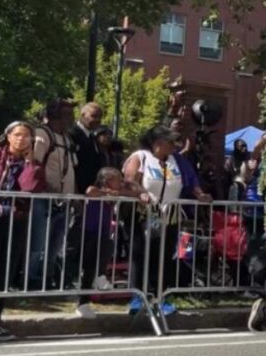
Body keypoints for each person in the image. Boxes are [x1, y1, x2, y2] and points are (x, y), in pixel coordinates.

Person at [122, 125, 212, 315]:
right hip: (143, 214)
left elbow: (191, 181)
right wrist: (141, 192)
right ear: (157, 143)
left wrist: (201, 195)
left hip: (170, 216)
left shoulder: (176, 160)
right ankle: (138, 297)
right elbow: (129, 180)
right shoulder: (141, 157)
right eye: (170, 141)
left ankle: (160, 297)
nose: (174, 145)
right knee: (141, 255)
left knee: (164, 258)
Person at [0, 122, 45, 342]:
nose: (21, 139)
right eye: (17, 135)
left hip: (15, 221)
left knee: (3, 272)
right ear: (8, 136)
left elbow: (29, 188)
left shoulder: (34, 164)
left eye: (26, 136)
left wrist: (30, 162)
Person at [73, 168, 148, 318]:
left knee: (106, 252)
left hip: (104, 231)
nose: (120, 182)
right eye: (117, 179)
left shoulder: (116, 193)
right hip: (89, 231)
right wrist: (107, 193)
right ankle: (83, 301)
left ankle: (99, 278)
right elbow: (90, 191)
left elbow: (132, 192)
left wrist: (136, 193)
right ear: (106, 180)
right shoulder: (97, 189)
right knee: (89, 266)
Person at [32, 98, 78, 290]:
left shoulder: (67, 138)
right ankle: (30, 279)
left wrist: (74, 196)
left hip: (64, 200)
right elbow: (34, 164)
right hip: (43, 198)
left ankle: (47, 278)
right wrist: (46, 188)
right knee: (38, 242)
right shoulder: (42, 134)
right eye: (67, 113)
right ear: (55, 114)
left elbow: (72, 168)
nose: (72, 117)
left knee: (55, 244)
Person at [69, 102, 104, 195]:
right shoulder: (72, 134)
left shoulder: (92, 137)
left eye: (100, 117)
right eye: (94, 116)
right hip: (77, 189)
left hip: (91, 190)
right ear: (83, 115)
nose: (97, 120)